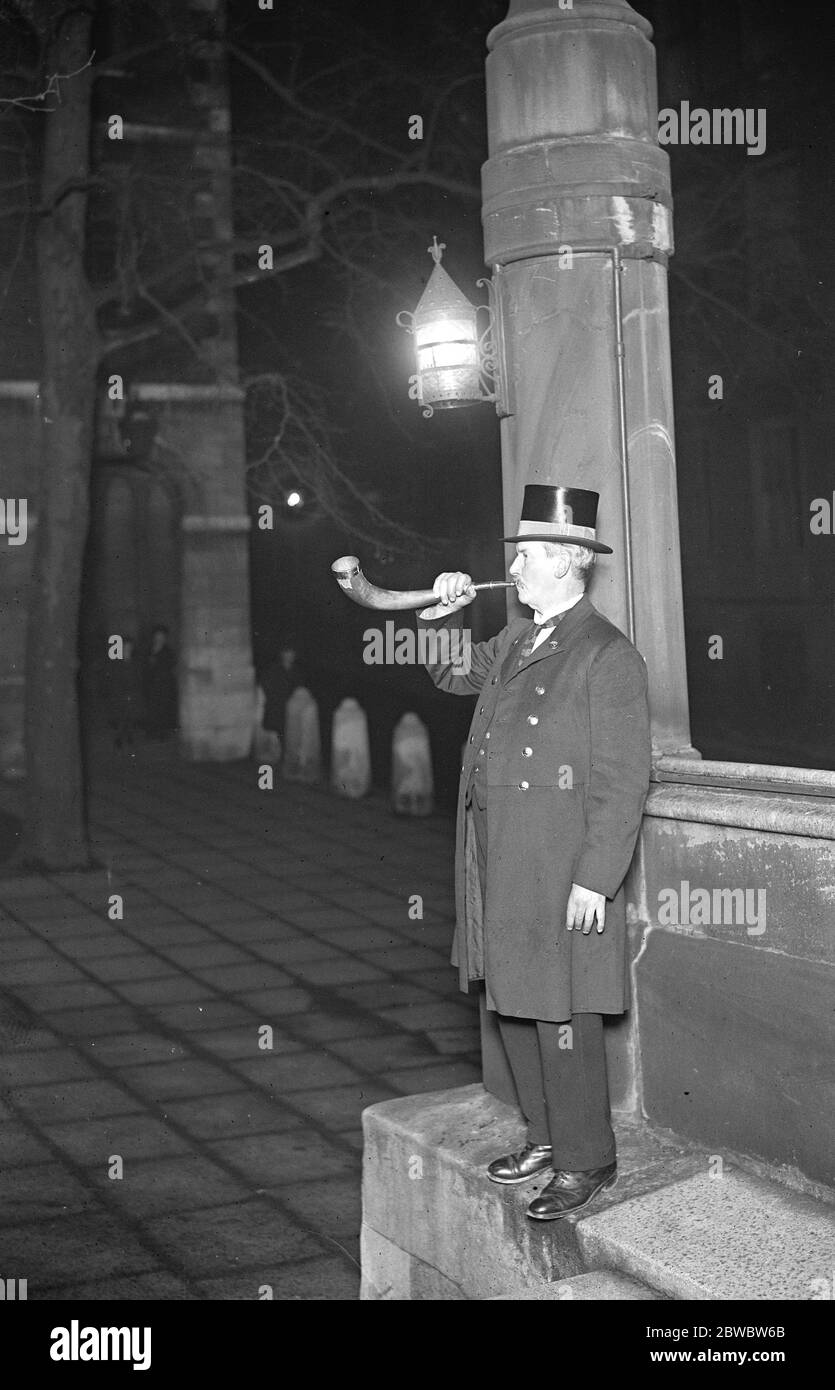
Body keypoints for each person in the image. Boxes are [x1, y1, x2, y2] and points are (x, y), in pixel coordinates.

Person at [418, 484, 651, 1221]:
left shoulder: (606, 654)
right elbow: (452, 675)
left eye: (526, 556)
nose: (513, 569)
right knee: (511, 998)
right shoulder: (518, 639)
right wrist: (442, 616)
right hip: (499, 855)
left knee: (562, 1012)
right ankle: (544, 1137)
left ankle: (587, 1158)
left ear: (569, 561)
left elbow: (622, 781)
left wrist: (595, 880)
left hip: (560, 867)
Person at [142, 624, 178, 739]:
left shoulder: (168, 651)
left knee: (163, 709)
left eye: (162, 636)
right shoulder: (148, 649)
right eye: (157, 636)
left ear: (165, 637)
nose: (159, 638)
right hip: (151, 684)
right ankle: (152, 731)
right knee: (152, 708)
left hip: (164, 684)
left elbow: (169, 666)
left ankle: (163, 733)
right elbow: (144, 665)